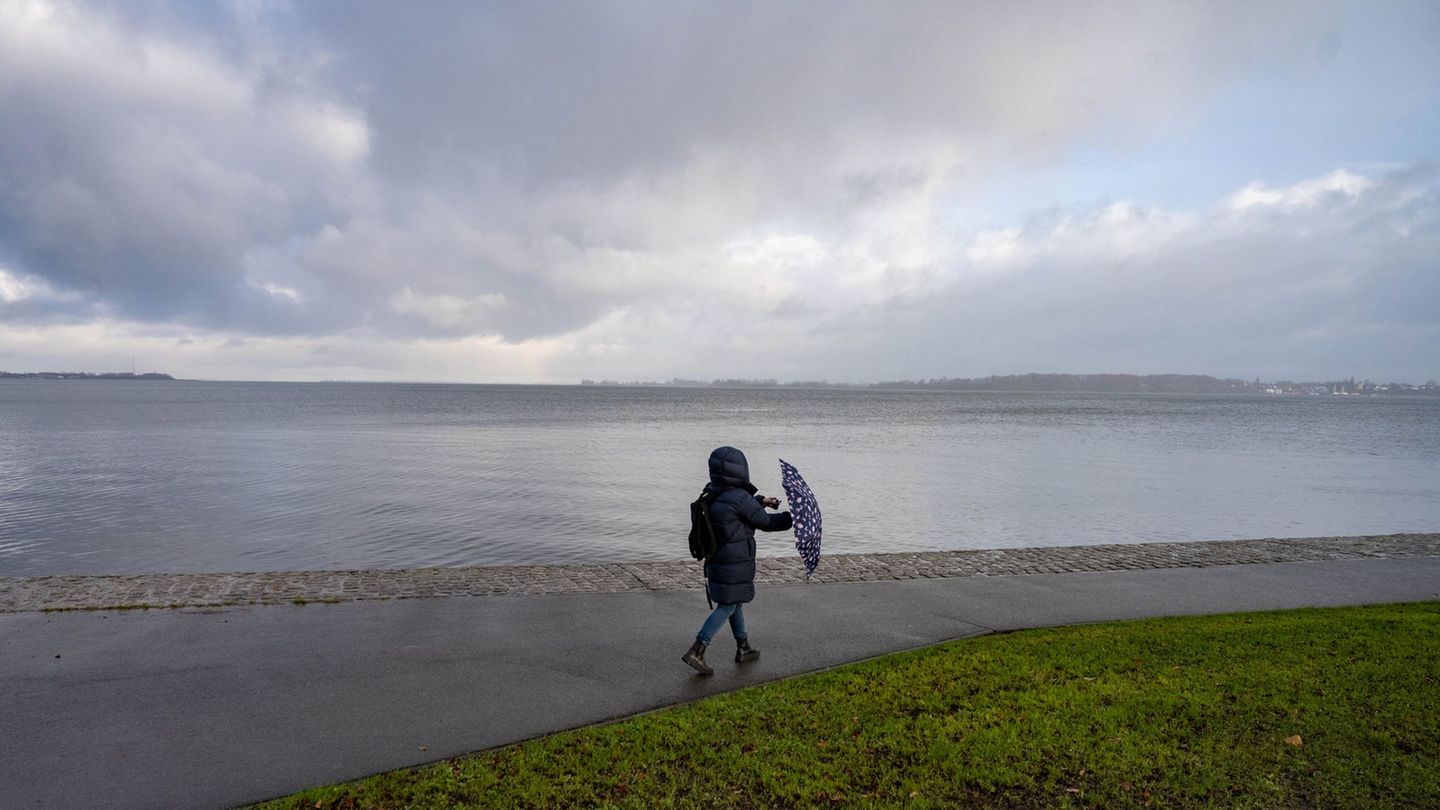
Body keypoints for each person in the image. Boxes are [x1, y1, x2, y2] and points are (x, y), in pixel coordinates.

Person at [682, 445, 793, 675]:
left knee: (735, 601)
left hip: (718, 558)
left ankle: (743, 647)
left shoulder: (713, 491)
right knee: (728, 605)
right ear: (740, 469)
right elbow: (767, 523)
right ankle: (697, 649)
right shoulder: (740, 497)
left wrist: (761, 500)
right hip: (735, 560)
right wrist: (792, 519)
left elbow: (737, 507)